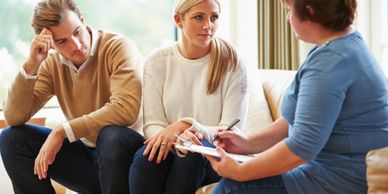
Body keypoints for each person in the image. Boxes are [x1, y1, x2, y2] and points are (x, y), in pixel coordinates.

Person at [204, 0, 388, 194]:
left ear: (309, 11)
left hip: (340, 180)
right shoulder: (341, 46)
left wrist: (240, 171)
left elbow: (302, 147)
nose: (287, 18)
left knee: (231, 189)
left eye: (289, 10)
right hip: (329, 170)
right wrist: (248, 143)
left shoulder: (330, 63)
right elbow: (295, 121)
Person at [0, 0, 144, 193]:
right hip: (90, 161)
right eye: (62, 41)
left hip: (129, 160)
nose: (76, 45)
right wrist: (31, 65)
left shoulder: (117, 47)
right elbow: (14, 117)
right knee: (12, 138)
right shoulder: (51, 65)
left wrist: (63, 131)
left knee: (111, 135)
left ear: (82, 20)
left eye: (77, 32)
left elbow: (125, 110)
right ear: (50, 44)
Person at [128, 0, 249, 193]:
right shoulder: (157, 61)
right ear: (178, 20)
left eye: (214, 17)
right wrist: (178, 138)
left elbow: (232, 131)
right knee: (146, 158)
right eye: (199, 17)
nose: (208, 25)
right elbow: (152, 124)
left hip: (214, 154)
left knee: (191, 155)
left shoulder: (232, 62)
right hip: (172, 146)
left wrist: (188, 127)